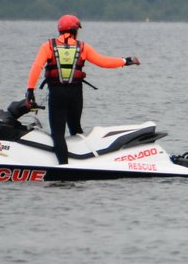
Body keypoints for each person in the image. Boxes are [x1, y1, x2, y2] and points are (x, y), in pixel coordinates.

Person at [26, 14, 140, 164]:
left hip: (57, 94)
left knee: (58, 134)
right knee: (75, 130)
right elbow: (103, 62)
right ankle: (84, 163)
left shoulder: (47, 46)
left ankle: (64, 166)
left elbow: (37, 67)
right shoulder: (83, 47)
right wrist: (126, 61)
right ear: (74, 30)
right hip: (75, 95)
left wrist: (30, 90)